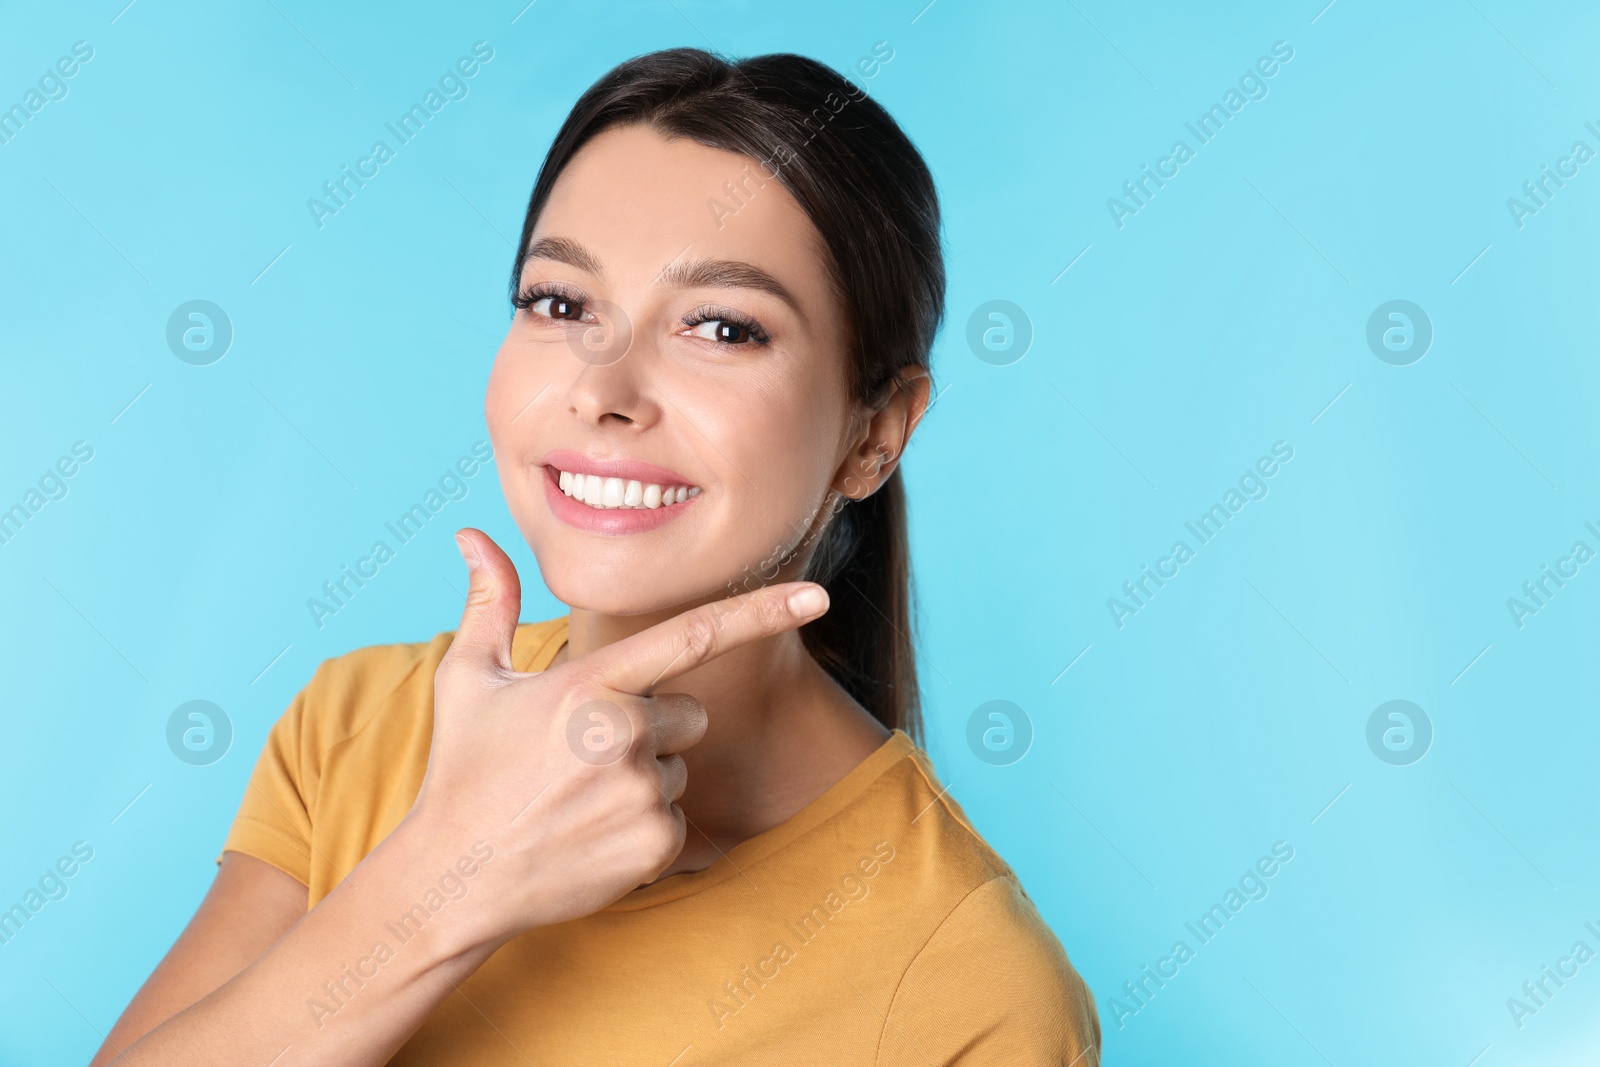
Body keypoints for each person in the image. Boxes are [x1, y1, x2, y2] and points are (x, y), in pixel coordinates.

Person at [92, 47, 1101, 1065]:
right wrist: (451, 871)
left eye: (720, 325)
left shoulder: (969, 985)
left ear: (875, 430)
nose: (603, 387)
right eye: (560, 303)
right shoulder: (355, 726)